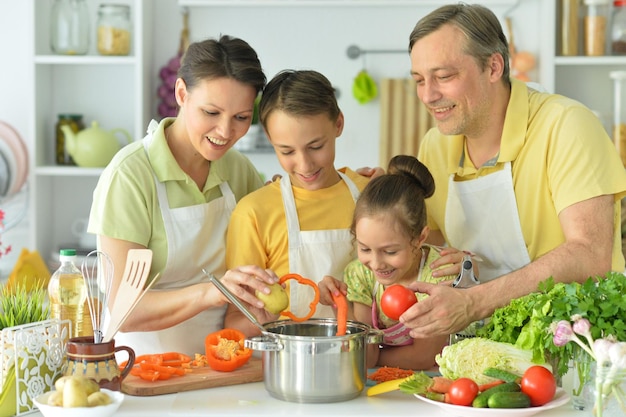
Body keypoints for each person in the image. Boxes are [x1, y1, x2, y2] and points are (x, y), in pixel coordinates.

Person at [398, 3, 626, 340]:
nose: (429, 95)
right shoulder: (434, 145)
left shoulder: (566, 125)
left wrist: (472, 303)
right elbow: (426, 250)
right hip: (482, 349)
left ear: (493, 67)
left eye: (444, 76)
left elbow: (590, 255)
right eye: (419, 80)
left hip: (578, 349)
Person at [87, 35, 279, 356]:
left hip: (223, 362)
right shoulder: (131, 177)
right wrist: (212, 293)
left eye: (241, 118)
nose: (225, 132)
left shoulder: (239, 170)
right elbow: (125, 310)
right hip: (144, 367)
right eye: (211, 112)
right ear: (181, 93)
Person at [224, 70, 371, 335]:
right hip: (286, 368)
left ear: (338, 124)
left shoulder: (372, 196)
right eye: (287, 151)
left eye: (316, 146)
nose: (304, 164)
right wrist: (266, 316)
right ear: (270, 140)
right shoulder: (253, 213)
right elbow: (235, 326)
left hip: (363, 365)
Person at [322, 155, 461, 370]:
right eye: (365, 248)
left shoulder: (439, 273)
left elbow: (423, 356)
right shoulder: (361, 274)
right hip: (380, 381)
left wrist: (374, 357)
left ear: (420, 238)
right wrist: (337, 303)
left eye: (390, 251)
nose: (376, 264)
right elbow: (365, 352)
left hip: (433, 380)